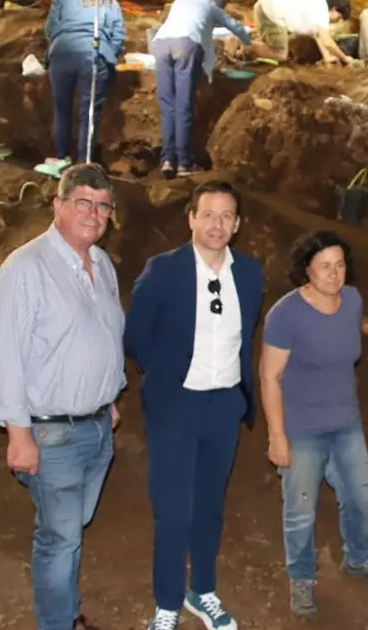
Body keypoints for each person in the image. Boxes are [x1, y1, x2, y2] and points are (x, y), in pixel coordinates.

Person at [0, 163, 125, 630]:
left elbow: (104, 336)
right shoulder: (25, 269)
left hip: (97, 424)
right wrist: (17, 434)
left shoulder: (102, 265)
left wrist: (109, 396)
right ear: (58, 206)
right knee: (61, 537)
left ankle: (66, 614)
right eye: (83, 202)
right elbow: (5, 355)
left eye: (103, 205)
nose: (94, 213)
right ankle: (59, 623)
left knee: (72, 525)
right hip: (51, 432)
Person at [123, 180, 266, 630]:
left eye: (227, 216)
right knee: (173, 508)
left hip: (224, 406)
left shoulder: (249, 272)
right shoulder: (164, 270)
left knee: (209, 505)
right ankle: (167, 603)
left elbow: (246, 336)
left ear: (238, 224)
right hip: (177, 406)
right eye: (208, 214)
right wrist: (165, 377)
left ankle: (201, 591)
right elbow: (135, 336)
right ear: (191, 218)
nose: (217, 224)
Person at [259, 231, 368, 618]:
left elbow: (346, 351)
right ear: (306, 270)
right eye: (324, 266)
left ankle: (357, 560)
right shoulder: (286, 315)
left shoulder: (352, 301)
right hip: (302, 428)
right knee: (300, 509)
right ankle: (301, 579)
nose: (334, 274)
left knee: (360, 499)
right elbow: (270, 376)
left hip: (346, 422)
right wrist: (277, 436)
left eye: (340, 265)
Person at [152, 0, 252, 180]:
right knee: (183, 106)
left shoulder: (180, 1)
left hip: (161, 45)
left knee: (167, 106)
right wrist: (248, 40)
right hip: (186, 46)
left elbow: (204, 31)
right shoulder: (208, 4)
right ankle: (184, 163)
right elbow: (232, 25)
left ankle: (167, 160)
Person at [41, 0, 127, 175]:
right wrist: (111, 54)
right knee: (89, 112)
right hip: (94, 54)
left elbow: (50, 28)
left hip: (62, 54)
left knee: (62, 110)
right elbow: (118, 33)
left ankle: (61, 158)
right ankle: (84, 162)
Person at [243, 0, 356, 65]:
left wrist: (327, 57)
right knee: (280, 54)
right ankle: (242, 43)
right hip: (271, 13)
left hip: (264, 6)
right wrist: (344, 58)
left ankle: (242, 46)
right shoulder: (322, 12)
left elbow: (317, 36)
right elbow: (328, 42)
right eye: (338, 17)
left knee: (269, 46)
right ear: (334, 9)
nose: (335, 21)